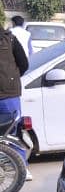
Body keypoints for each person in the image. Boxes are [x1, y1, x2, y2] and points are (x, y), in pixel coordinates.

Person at [0, 26, 31, 180]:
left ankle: (22, 168)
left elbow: (24, 63)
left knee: (13, 132)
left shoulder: (10, 39)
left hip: (9, 95)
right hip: (8, 92)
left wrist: (11, 78)